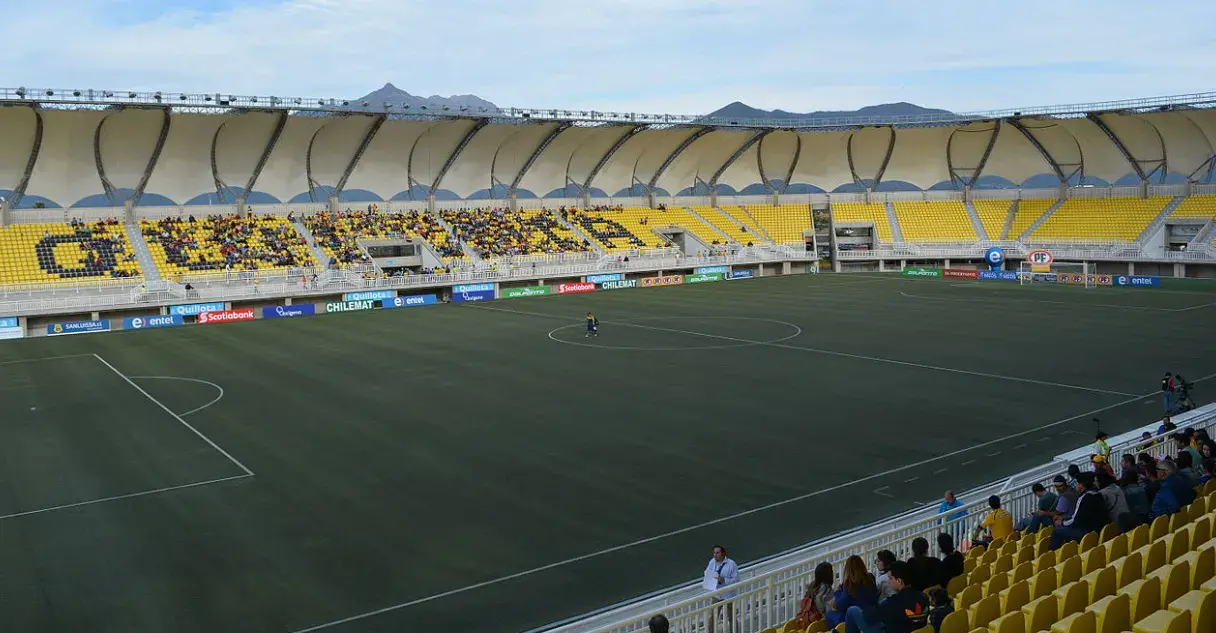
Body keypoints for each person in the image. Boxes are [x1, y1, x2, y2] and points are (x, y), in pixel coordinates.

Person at [844, 561, 929, 633]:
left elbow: (868, 617)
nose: (889, 582)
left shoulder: (891, 603)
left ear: (899, 581)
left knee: (852, 610)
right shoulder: (924, 597)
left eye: (890, 578)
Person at [1052, 473, 1109, 549]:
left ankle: (1053, 552)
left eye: (1077, 483)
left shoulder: (1083, 498)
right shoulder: (1098, 494)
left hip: (1086, 532)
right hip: (1100, 529)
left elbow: (1074, 520)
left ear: (1081, 485)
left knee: (1057, 531)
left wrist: (1061, 522)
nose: (1076, 486)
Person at [826, 555, 878, 628]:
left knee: (829, 615)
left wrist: (838, 592)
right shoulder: (870, 578)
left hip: (857, 618)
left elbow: (839, 605)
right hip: (872, 613)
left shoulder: (850, 584)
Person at [795, 562, 834, 628]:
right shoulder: (826, 588)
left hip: (809, 619)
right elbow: (824, 607)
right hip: (819, 621)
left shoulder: (813, 585)